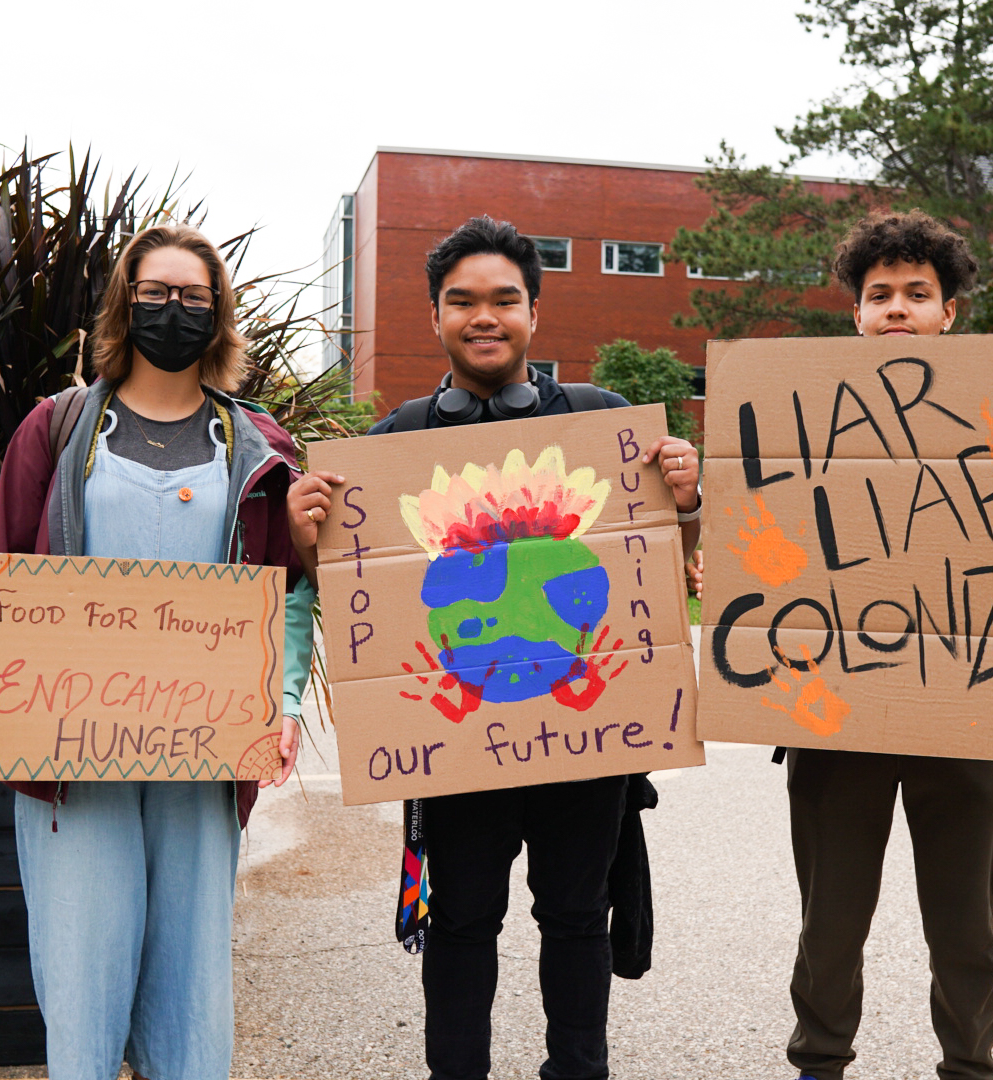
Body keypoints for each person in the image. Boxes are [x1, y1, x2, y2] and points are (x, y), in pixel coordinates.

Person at [288, 215, 700, 1080]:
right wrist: (304, 534)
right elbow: (349, 588)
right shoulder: (393, 441)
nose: (485, 317)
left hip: (584, 751)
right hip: (457, 750)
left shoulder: (605, 423)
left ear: (533, 315)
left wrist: (687, 496)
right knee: (464, 922)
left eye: (504, 300)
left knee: (577, 918)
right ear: (435, 316)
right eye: (461, 301)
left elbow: (667, 555)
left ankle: (577, 1070)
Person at [0, 224, 315, 1080]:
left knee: (192, 992)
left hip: (203, 758)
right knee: (81, 984)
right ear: (122, 304)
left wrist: (282, 706)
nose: (172, 310)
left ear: (217, 316)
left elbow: (289, 587)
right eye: (154, 293)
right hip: (73, 758)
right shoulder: (57, 428)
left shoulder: (258, 445)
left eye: (192, 297)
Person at [781, 209, 993, 1080]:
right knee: (829, 920)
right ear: (854, 313)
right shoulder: (793, 423)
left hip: (971, 716)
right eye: (877, 294)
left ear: (948, 313)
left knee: (964, 923)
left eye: (915, 294)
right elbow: (765, 548)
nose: (895, 308)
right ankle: (818, 1061)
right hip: (835, 715)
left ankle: (969, 1066)